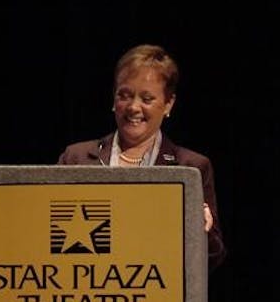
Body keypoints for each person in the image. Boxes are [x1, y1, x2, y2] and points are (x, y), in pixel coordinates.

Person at [58, 43, 226, 270]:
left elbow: (214, 257)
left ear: (168, 104)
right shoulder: (75, 158)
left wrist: (202, 230)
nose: (133, 107)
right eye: (124, 95)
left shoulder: (192, 167)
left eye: (147, 99)